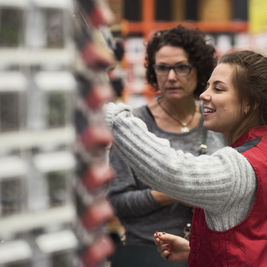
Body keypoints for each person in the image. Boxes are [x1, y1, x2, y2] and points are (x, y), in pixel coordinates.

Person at [105, 50, 267, 266]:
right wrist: (199, 249)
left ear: (250, 103)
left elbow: (171, 170)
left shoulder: (237, 167)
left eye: (218, 88)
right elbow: (259, 239)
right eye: (208, 85)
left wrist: (114, 116)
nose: (204, 94)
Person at [105, 25, 225, 267]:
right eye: (163, 68)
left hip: (208, 254)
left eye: (181, 67)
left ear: (198, 68)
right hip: (146, 255)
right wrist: (176, 191)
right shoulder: (132, 126)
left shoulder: (217, 120)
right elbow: (118, 202)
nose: (171, 77)